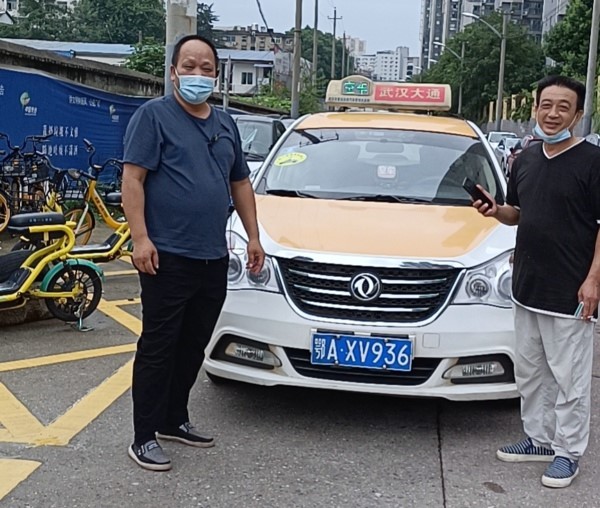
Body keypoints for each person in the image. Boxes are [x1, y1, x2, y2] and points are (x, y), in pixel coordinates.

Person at [122, 34, 265, 472]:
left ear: (217, 76)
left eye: (206, 68)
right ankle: (143, 436)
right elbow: (133, 179)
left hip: (212, 256)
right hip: (166, 256)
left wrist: (254, 237)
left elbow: (240, 183)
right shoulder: (154, 117)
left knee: (193, 344)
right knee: (159, 346)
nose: (197, 74)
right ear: (173, 72)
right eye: (189, 66)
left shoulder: (225, 123)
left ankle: (174, 419)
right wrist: (140, 238)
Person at [473, 75, 600, 488]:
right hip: (527, 285)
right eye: (546, 105)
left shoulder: (593, 162)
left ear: (577, 115)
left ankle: (568, 452)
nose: (553, 114)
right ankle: (540, 439)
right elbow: (518, 213)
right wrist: (495, 210)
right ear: (535, 109)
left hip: (570, 290)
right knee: (530, 372)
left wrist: (594, 280)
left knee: (570, 378)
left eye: (564, 107)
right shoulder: (525, 159)